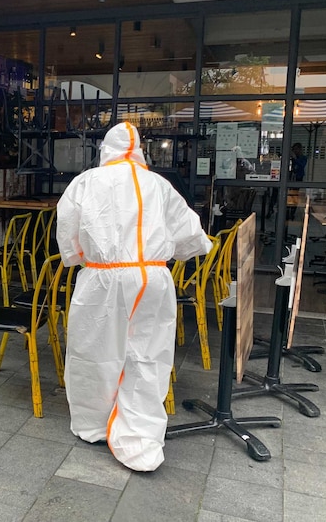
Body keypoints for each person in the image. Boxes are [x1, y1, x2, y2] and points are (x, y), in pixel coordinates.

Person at [56, 121, 212, 472]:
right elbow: (192, 234)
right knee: (148, 354)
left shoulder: (86, 182)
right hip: (153, 276)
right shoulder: (159, 184)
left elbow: (67, 229)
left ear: (105, 150)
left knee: (94, 350)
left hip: (103, 277)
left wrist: (79, 257)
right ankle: (140, 430)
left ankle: (94, 424)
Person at [287, 142, 307, 219]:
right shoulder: (291, 158)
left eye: (296, 149)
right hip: (290, 177)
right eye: (293, 150)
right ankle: (287, 210)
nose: (295, 151)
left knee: (295, 194)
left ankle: (292, 212)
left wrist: (295, 158)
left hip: (298, 177)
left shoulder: (303, 158)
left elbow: (302, 165)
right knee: (289, 194)